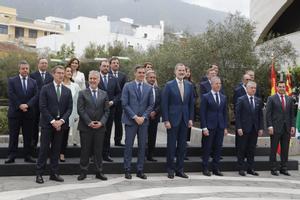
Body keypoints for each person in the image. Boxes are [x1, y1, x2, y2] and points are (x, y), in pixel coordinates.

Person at [36, 65, 72, 184]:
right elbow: (42, 107)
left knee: (56, 150)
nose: (61, 75)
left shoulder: (67, 90)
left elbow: (69, 109)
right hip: (47, 125)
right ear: (53, 74)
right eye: (58, 73)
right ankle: (39, 174)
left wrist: (61, 121)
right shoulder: (45, 88)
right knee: (44, 150)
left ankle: (54, 173)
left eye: (62, 73)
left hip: (61, 126)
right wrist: (53, 121)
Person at [161, 63, 194, 179]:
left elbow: (191, 104)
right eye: (179, 70)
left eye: (183, 70)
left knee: (182, 146)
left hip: (185, 120)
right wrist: (166, 120)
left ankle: (180, 169)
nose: (181, 72)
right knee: (171, 146)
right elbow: (164, 104)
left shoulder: (189, 85)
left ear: (185, 72)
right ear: (175, 72)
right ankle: (170, 169)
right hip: (172, 120)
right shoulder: (169, 85)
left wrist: (190, 118)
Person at [122, 65, 154, 179]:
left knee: (142, 147)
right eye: (139, 72)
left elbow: (151, 105)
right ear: (135, 73)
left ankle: (140, 170)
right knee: (128, 146)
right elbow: (124, 104)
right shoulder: (127, 86)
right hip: (131, 121)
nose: (141, 74)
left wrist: (143, 117)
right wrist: (135, 117)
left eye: (143, 73)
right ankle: (127, 169)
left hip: (143, 122)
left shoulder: (149, 88)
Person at [77, 70, 110, 181]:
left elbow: (106, 111)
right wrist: (89, 122)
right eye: (90, 78)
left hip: (100, 128)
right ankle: (83, 171)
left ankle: (99, 172)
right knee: (85, 150)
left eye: (95, 78)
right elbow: (80, 110)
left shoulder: (104, 94)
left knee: (98, 151)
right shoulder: (82, 93)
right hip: (86, 127)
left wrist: (101, 122)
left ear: (99, 80)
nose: (92, 80)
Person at [6, 60, 38, 164]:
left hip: (28, 113)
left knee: (28, 136)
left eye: (26, 68)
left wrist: (27, 105)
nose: (25, 70)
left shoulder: (33, 82)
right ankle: (11, 156)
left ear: (29, 69)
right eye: (23, 68)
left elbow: (36, 96)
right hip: (15, 113)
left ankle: (27, 156)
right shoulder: (12, 80)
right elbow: (11, 94)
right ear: (19, 69)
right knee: (13, 135)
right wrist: (20, 105)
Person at [266, 81, 295, 176]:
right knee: (273, 149)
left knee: (285, 149)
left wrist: (293, 126)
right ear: (277, 87)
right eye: (280, 87)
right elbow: (268, 114)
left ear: (285, 88)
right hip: (275, 128)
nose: (282, 88)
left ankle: (284, 168)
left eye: (283, 87)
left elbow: (292, 115)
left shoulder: (290, 99)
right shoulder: (271, 98)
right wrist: (270, 126)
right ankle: (273, 168)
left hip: (286, 128)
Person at [200, 76, 228, 176]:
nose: (218, 85)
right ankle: (205, 168)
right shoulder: (205, 96)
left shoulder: (223, 97)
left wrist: (225, 127)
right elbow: (202, 113)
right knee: (207, 148)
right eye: (216, 83)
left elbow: (225, 113)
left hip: (220, 126)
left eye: (220, 83)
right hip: (209, 127)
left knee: (218, 147)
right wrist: (204, 127)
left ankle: (216, 168)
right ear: (211, 85)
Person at [235, 81, 263, 176]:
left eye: (255, 88)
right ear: (247, 89)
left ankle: (250, 168)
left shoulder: (258, 100)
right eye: (252, 88)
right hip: (243, 129)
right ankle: (241, 168)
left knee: (251, 149)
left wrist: (260, 128)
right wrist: (239, 127)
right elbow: (237, 115)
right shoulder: (241, 100)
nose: (254, 89)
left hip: (254, 129)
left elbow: (260, 116)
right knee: (242, 149)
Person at [98, 60, 121, 162]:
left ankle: (106, 154)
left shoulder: (114, 79)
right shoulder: (95, 78)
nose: (106, 68)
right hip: (97, 111)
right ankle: (95, 155)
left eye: (107, 66)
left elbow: (119, 94)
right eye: (104, 66)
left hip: (110, 110)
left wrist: (113, 102)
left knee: (107, 133)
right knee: (97, 133)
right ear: (100, 67)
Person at [30, 58, 53, 152]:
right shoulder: (32, 75)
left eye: (45, 63)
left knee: (47, 124)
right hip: (35, 104)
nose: (44, 64)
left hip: (46, 105)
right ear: (38, 64)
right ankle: (33, 143)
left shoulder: (50, 76)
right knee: (34, 124)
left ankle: (46, 144)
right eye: (42, 63)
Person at [60, 66, 80, 162]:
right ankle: (55, 152)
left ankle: (62, 153)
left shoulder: (75, 86)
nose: (69, 72)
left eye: (70, 71)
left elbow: (77, 101)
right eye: (67, 71)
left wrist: (76, 115)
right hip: (58, 113)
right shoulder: (59, 84)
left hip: (70, 113)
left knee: (65, 134)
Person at [109, 57, 127, 146]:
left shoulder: (122, 75)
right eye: (114, 63)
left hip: (119, 103)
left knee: (119, 122)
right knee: (108, 123)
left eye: (117, 63)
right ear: (110, 64)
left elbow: (124, 90)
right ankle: (106, 142)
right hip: (109, 103)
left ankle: (118, 141)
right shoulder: (106, 74)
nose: (116, 64)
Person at [68, 58, 85, 146]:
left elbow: (83, 88)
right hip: (67, 100)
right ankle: (65, 141)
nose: (74, 64)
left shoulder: (81, 74)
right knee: (67, 121)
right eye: (73, 63)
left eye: (76, 63)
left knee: (76, 121)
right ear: (70, 64)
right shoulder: (66, 72)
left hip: (78, 100)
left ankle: (75, 141)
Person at [145, 70, 161, 162]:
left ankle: (150, 155)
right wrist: (148, 112)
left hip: (154, 117)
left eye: (154, 78)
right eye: (151, 77)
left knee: (152, 137)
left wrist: (155, 111)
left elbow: (160, 103)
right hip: (144, 117)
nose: (152, 79)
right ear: (146, 78)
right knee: (143, 137)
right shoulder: (143, 88)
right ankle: (142, 155)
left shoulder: (158, 89)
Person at [184, 66, 198, 143]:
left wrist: (193, 101)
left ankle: (186, 141)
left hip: (190, 107)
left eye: (189, 72)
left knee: (189, 124)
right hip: (183, 107)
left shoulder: (192, 83)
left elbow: (195, 95)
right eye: (187, 71)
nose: (188, 73)